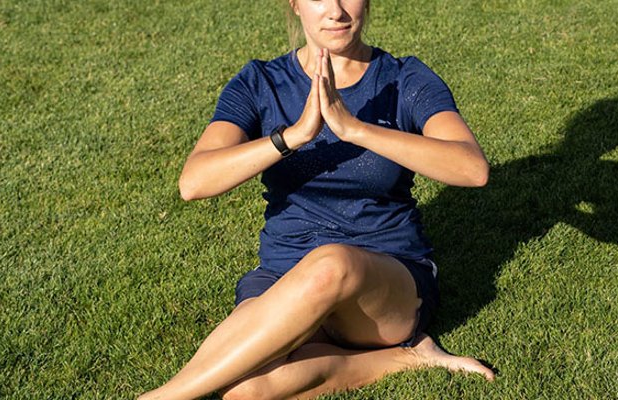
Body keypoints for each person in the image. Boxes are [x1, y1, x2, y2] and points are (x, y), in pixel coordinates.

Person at [140, 0, 493, 399]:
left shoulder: (403, 78)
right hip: (284, 276)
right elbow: (194, 182)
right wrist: (292, 137)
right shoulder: (262, 82)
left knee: (331, 263)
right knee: (244, 391)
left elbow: (471, 168)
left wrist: (354, 128)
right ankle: (406, 358)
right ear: (294, 4)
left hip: (383, 286)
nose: (337, 11)